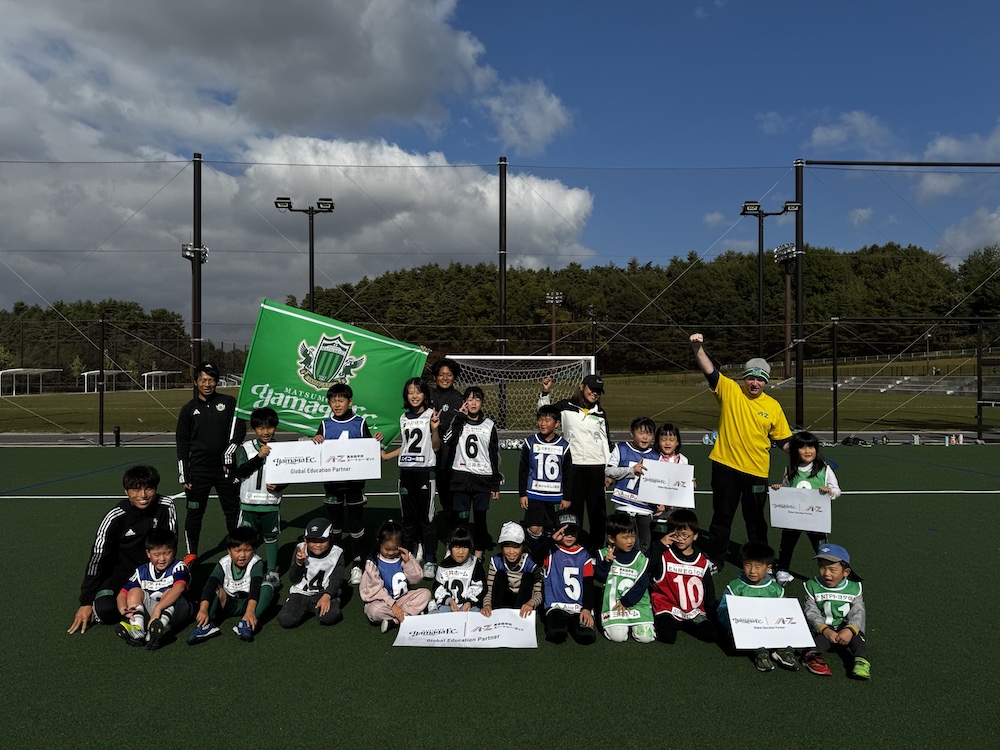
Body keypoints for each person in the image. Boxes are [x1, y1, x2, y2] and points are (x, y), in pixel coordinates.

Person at [689, 333, 792, 570]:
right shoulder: (730, 391)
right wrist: (697, 349)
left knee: (756, 521)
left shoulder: (773, 406)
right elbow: (710, 371)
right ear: (745, 379)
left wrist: (805, 456)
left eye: (761, 379)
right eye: (751, 378)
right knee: (722, 518)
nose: (755, 383)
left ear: (766, 382)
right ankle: (716, 560)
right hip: (725, 466)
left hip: (756, 471)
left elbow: (783, 440)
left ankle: (761, 561)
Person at [68, 465, 177, 635]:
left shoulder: (166, 506)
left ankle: (139, 612)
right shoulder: (115, 517)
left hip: (154, 573)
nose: (143, 495)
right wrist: (86, 602)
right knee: (105, 611)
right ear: (126, 492)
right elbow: (97, 559)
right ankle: (138, 610)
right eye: (136, 489)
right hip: (121, 573)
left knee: (177, 598)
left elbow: (170, 547)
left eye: (148, 488)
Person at [175, 360, 246, 566]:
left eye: (211, 380)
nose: (207, 384)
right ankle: (191, 553)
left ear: (217, 381)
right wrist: (184, 472)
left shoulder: (229, 402)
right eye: (203, 380)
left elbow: (239, 431)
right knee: (195, 512)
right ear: (196, 382)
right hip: (198, 471)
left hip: (226, 469)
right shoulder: (188, 410)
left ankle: (237, 549)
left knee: (232, 511)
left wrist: (228, 454)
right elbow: (182, 442)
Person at [313, 382, 384, 586]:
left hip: (354, 484)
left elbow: (368, 450)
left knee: (355, 526)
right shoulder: (325, 424)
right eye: (333, 401)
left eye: (341, 400)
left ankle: (357, 562)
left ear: (350, 402)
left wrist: (375, 441)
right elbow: (318, 448)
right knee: (335, 526)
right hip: (332, 484)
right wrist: (316, 440)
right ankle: (334, 561)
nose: (337, 404)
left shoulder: (359, 423)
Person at [538, 373, 610, 551]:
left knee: (597, 514)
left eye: (598, 391)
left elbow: (605, 442)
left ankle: (595, 552)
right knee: (572, 512)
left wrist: (608, 470)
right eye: (592, 389)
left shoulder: (600, 412)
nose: (595, 394)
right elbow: (545, 415)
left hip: (597, 467)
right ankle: (572, 549)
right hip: (573, 467)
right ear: (582, 386)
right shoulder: (565, 407)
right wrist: (545, 393)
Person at [382, 377, 441, 579]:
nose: (414, 395)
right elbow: (407, 445)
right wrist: (388, 455)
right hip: (406, 472)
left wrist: (434, 429)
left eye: (418, 391)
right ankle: (410, 555)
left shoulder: (430, 415)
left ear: (425, 394)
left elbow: (435, 446)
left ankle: (431, 559)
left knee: (427, 518)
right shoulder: (404, 418)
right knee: (408, 519)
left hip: (425, 472)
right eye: (410, 392)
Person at [772, 431, 841, 584]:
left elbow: (836, 490)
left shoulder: (824, 469)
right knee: (787, 544)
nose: (808, 451)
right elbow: (786, 489)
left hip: (816, 518)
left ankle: (828, 570)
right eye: (802, 447)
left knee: (821, 546)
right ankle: (783, 570)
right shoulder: (790, 469)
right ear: (795, 450)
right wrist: (779, 490)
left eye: (811, 447)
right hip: (793, 517)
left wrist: (830, 493)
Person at [187, 527, 276, 644]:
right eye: (237, 550)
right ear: (229, 551)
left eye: (247, 550)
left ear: (253, 550)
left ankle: (246, 623)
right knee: (215, 589)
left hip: (249, 603)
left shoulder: (256, 562)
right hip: (229, 603)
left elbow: (255, 587)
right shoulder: (224, 563)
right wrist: (203, 609)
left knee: (267, 586)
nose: (242, 555)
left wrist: (250, 611)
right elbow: (210, 584)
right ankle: (206, 624)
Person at [716, 542, 796, 672]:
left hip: (770, 626)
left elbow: (785, 610)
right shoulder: (736, 586)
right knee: (747, 636)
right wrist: (732, 623)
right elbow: (722, 609)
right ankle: (760, 652)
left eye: (758, 566)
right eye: (748, 565)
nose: (752, 571)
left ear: (768, 568)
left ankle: (782, 650)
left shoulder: (775, 589)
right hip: (746, 628)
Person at [442, 386, 501, 558]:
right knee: (460, 519)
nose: (473, 403)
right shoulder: (458, 421)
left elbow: (493, 455)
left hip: (482, 479)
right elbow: (447, 440)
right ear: (464, 402)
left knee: (480, 519)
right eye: (470, 399)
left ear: (482, 403)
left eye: (477, 399)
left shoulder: (489, 425)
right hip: (461, 476)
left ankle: (478, 551)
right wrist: (459, 417)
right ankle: (458, 548)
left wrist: (495, 482)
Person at [232, 407, 287, 586]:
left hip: (270, 503)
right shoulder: (247, 448)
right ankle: (247, 570)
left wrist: (279, 485)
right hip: (248, 504)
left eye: (269, 427)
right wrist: (258, 457)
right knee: (245, 540)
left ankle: (272, 571)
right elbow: (240, 472)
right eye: (261, 428)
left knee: (270, 537)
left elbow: (288, 475)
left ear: (275, 428)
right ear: (254, 429)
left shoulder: (280, 449)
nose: (265, 432)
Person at [115, 527, 191, 650]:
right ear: (148, 554)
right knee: (134, 591)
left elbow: (180, 587)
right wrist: (122, 608)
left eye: (167, 553)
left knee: (170, 592)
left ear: (174, 551)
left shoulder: (179, 566)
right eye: (156, 554)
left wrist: (158, 608)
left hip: (177, 611)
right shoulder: (141, 571)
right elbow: (123, 593)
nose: (162, 558)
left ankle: (157, 631)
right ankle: (137, 629)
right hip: (154, 611)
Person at [801, 544, 870, 680]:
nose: (826, 573)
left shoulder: (854, 587)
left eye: (832, 569)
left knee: (859, 644)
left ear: (846, 572)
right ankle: (811, 658)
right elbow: (811, 611)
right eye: (822, 568)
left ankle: (861, 661)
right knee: (816, 644)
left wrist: (850, 630)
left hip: (845, 628)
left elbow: (858, 612)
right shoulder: (812, 584)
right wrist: (825, 630)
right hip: (825, 629)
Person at [648, 509, 716, 645]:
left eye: (685, 536)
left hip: (693, 611)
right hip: (667, 608)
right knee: (667, 637)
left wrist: (709, 611)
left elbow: (709, 588)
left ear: (695, 536)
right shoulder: (664, 555)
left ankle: (688, 623)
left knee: (711, 634)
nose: (680, 539)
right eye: (676, 535)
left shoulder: (702, 560)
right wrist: (660, 545)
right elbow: (646, 565)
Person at [531, 512, 597, 645]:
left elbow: (588, 583)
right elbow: (534, 558)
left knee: (587, 636)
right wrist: (551, 540)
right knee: (557, 632)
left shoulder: (584, 555)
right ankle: (564, 623)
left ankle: (572, 623)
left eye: (573, 531)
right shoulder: (551, 552)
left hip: (577, 607)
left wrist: (587, 608)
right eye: (564, 532)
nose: (569, 536)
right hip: (556, 606)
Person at [518, 404, 574, 553]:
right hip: (534, 493)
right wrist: (522, 493)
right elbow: (523, 470)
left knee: (553, 529)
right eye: (540, 420)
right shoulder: (530, 442)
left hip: (555, 495)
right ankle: (534, 555)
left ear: (556, 424)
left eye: (547, 420)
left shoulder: (564, 446)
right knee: (535, 527)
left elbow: (568, 474)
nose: (543, 423)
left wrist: (567, 497)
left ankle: (549, 558)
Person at [359, 519, 431, 633]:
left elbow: (417, 579)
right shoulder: (373, 563)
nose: (391, 553)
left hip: (402, 599)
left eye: (395, 549)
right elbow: (373, 590)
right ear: (379, 543)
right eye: (387, 549)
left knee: (425, 594)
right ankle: (409, 615)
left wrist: (408, 563)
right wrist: (392, 604)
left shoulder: (405, 557)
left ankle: (395, 621)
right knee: (374, 611)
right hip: (382, 601)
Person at [593, 512, 655, 644]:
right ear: (611, 538)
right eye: (625, 537)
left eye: (632, 536)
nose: (630, 541)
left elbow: (643, 583)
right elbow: (599, 577)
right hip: (614, 604)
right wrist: (606, 563)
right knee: (618, 637)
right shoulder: (604, 554)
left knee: (646, 637)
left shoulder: (639, 557)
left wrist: (627, 601)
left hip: (637, 603)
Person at [277, 518, 346, 628]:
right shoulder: (300, 549)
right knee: (285, 619)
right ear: (306, 540)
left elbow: (337, 578)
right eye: (313, 541)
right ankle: (307, 608)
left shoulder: (337, 553)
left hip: (323, 593)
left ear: (331, 538)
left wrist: (328, 595)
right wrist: (298, 563)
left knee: (330, 617)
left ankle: (328, 602)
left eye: (322, 541)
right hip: (301, 592)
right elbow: (293, 579)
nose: (317, 545)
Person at [605, 416, 658, 552]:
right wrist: (631, 470)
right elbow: (609, 471)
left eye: (649, 433)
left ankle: (642, 571)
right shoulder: (621, 448)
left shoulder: (656, 455)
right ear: (632, 433)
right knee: (624, 542)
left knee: (644, 545)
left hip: (645, 508)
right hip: (625, 504)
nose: (645, 437)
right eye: (641, 432)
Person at [482, 521, 542, 618]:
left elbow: (538, 593)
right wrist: (487, 605)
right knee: (500, 575)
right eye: (507, 546)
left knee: (528, 577)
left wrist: (531, 603)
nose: (511, 551)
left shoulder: (531, 564)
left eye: (516, 546)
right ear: (501, 547)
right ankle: (496, 612)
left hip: (523, 602)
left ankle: (519, 617)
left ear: (523, 546)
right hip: (504, 598)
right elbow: (489, 590)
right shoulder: (496, 561)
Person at [429, 358, 465, 517]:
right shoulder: (427, 393)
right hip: (427, 451)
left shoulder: (457, 398)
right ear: (435, 377)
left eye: (449, 375)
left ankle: (454, 526)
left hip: (447, 453)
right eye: (441, 374)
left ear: (454, 377)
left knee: (448, 492)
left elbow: (449, 425)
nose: (445, 378)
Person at [430, 526, 487, 613]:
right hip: (449, 605)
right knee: (438, 614)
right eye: (457, 547)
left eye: (465, 547)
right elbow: (438, 588)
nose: (461, 551)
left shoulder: (475, 565)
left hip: (469, 606)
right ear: (450, 548)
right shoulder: (444, 566)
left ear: (470, 549)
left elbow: (479, 586)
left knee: (477, 615)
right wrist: (449, 601)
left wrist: (469, 601)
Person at [654, 422, 691, 522]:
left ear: (677, 442)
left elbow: (684, 483)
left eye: (671, 440)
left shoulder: (683, 460)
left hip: (677, 507)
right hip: (657, 509)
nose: (667, 443)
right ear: (658, 441)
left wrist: (690, 483)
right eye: (663, 439)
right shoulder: (653, 459)